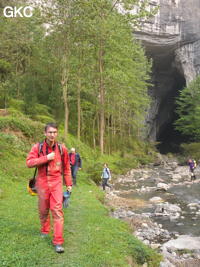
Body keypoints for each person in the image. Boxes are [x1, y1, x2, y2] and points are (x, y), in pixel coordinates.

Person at [26, 122, 72, 253]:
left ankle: (58, 242)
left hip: (56, 182)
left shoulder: (62, 149)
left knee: (57, 211)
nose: (52, 135)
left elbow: (67, 168)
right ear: (45, 133)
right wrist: (46, 158)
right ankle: (45, 230)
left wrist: (68, 184)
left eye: (55, 132)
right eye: (50, 132)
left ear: (57, 133)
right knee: (43, 210)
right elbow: (29, 163)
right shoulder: (37, 147)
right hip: (42, 182)